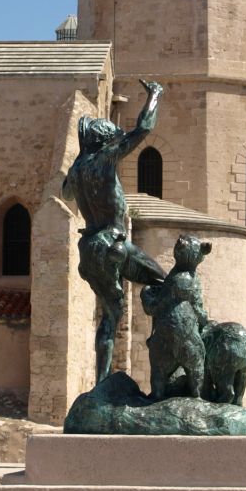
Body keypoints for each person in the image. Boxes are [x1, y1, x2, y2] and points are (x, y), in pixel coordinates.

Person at [63, 80, 167, 384]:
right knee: (164, 282)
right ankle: (164, 355)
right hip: (113, 242)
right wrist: (154, 95)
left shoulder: (77, 169)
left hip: (89, 247)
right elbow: (143, 128)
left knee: (109, 316)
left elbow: (66, 194)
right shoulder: (105, 158)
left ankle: (102, 381)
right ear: (107, 142)